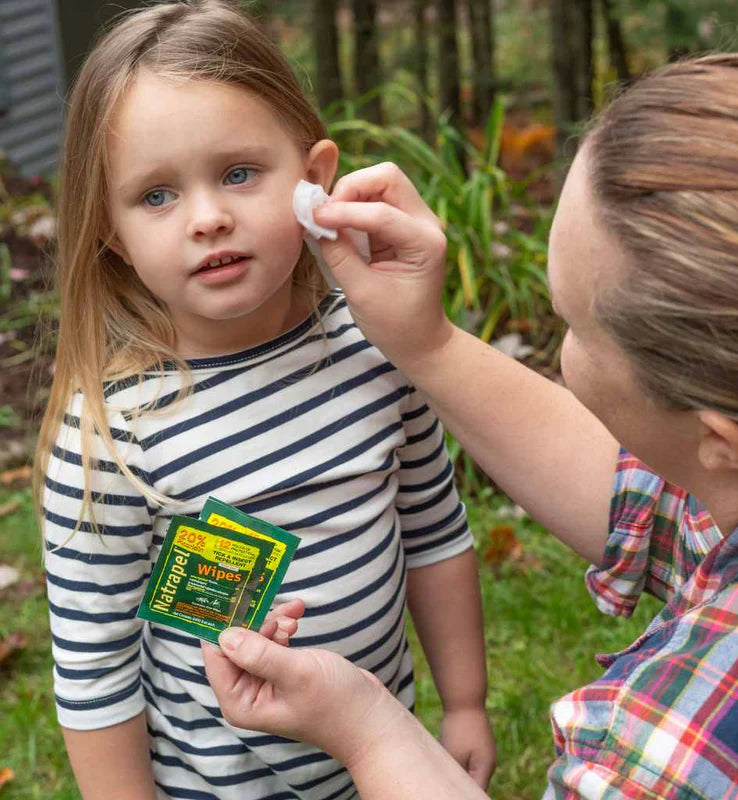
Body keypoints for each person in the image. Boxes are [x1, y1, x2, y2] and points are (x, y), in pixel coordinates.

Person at [203, 52, 738, 799]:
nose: (559, 346)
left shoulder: (693, 743)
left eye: (571, 326)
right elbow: (651, 505)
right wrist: (427, 342)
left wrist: (364, 725)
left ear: (723, 441)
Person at [34, 2, 495, 798]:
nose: (208, 218)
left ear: (313, 179)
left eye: (239, 173)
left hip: (386, 764)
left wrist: (465, 703)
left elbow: (432, 528)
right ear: (109, 230)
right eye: (155, 196)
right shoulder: (113, 433)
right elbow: (95, 667)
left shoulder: (375, 345)